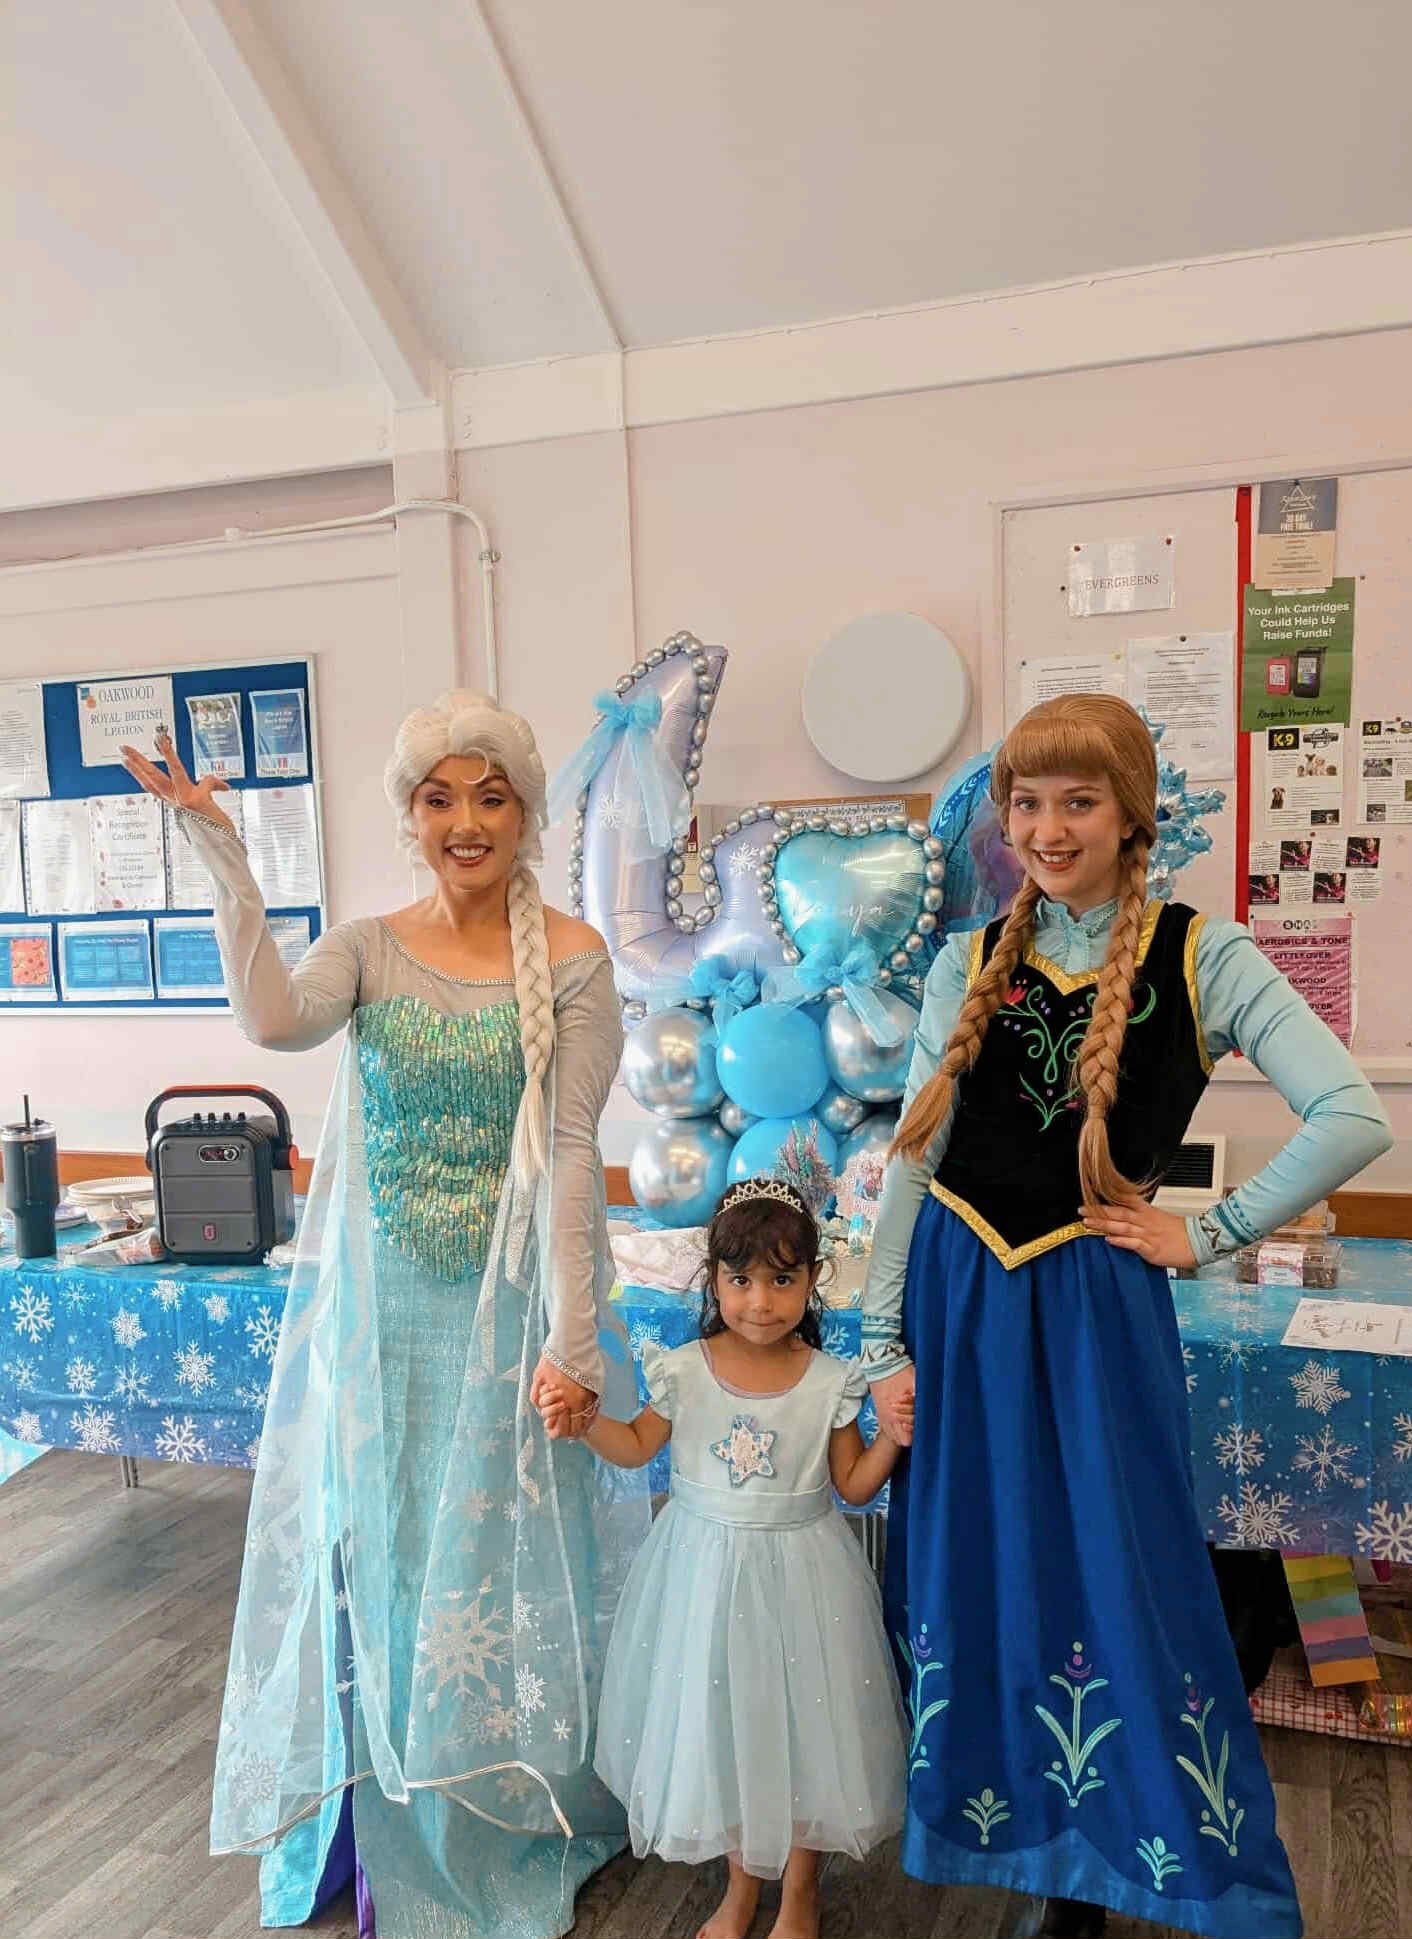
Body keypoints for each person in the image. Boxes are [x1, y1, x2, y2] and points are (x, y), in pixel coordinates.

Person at [863, 693, 1393, 1939]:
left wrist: (1207, 1232)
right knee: (981, 1572)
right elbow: (911, 1166)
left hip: (1097, 1312)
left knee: (1118, 1573)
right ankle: (1040, 1856)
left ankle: (1130, 1849)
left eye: (1078, 801)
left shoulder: (1207, 956)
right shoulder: (964, 962)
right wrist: (879, 1343)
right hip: (960, 1303)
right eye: (1028, 803)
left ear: (1130, 814)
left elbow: (1354, 1115)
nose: (1049, 828)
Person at [122, 693, 649, 1939]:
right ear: (409, 814)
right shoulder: (365, 945)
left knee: (504, 1564)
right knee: (385, 1558)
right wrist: (222, 854)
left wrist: (574, 1348)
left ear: (523, 812)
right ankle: (381, 1811)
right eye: (438, 797)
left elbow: (572, 1154)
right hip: (382, 1318)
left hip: (515, 1317)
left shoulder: (573, 958)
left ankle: (504, 1806)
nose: (464, 821)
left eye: (490, 796)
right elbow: (270, 1020)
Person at [541, 1178, 909, 1939]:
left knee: (808, 1733)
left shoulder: (831, 1381)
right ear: (715, 1279)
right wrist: (584, 1424)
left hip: (805, 1577)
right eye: (741, 1279)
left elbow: (850, 1485)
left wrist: (894, 1438)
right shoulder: (684, 1366)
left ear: (813, 1280)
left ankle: (801, 1894)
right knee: (730, 1729)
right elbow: (639, 1444)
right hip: (703, 1578)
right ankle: (741, 1889)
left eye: (783, 1278)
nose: (761, 1301)